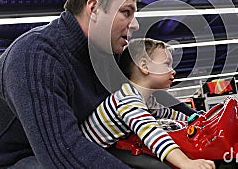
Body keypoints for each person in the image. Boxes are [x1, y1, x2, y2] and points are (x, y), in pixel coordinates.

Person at [0, 0, 194, 168]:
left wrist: (199, 117)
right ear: (94, 9)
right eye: (126, 12)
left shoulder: (107, 56)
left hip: (69, 147)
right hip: (16, 161)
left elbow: (146, 96)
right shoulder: (35, 56)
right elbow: (63, 154)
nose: (135, 24)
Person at [81, 38, 215, 169]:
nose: (173, 70)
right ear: (144, 66)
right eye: (166, 64)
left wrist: (201, 121)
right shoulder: (127, 99)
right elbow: (152, 133)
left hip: (107, 151)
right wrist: (186, 163)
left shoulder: (147, 100)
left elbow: (170, 114)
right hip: (84, 158)